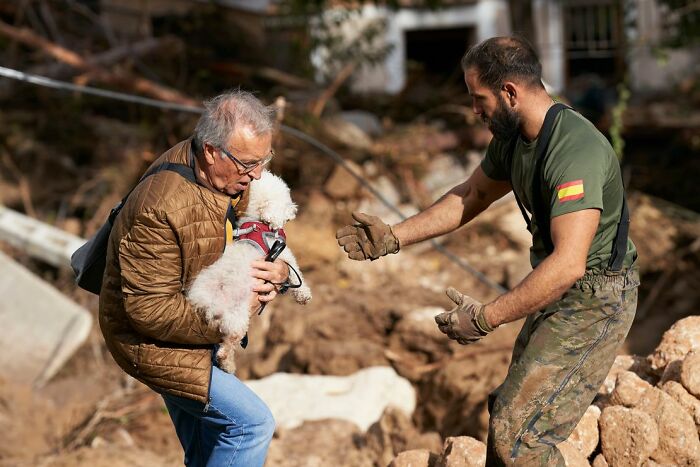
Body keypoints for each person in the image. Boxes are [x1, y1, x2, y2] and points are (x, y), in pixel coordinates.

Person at [336, 36, 639, 466]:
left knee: (520, 436)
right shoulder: (515, 137)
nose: (474, 111)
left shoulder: (575, 150)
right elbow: (472, 194)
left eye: (479, 99)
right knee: (506, 413)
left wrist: (485, 318)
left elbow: (569, 263)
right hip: (563, 287)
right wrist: (393, 236)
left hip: (596, 299)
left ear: (509, 93)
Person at [99, 90, 291, 466]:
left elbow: (260, 229)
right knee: (250, 426)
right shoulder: (158, 207)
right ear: (210, 150)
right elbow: (149, 311)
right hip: (150, 342)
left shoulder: (229, 176)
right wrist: (231, 316)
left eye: (264, 160)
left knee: (206, 453)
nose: (257, 174)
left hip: (193, 324)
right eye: (248, 163)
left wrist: (279, 270)